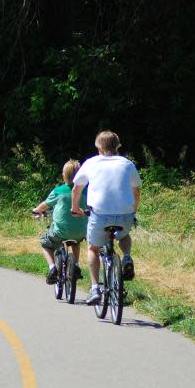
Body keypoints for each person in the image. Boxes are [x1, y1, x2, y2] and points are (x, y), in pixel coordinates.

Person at [70, 130, 141, 305]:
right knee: (123, 235)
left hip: (100, 214)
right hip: (125, 213)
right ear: (117, 147)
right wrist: (133, 209)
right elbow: (137, 189)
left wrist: (75, 208)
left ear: (99, 147)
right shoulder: (127, 164)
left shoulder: (91, 163)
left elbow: (76, 188)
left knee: (93, 248)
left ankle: (95, 289)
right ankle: (126, 257)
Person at [32, 160, 88, 284]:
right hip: (80, 231)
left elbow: (44, 206)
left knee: (46, 243)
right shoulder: (85, 191)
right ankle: (76, 266)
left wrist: (36, 211)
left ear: (63, 176)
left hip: (60, 231)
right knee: (76, 242)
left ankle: (52, 268)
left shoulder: (59, 191)